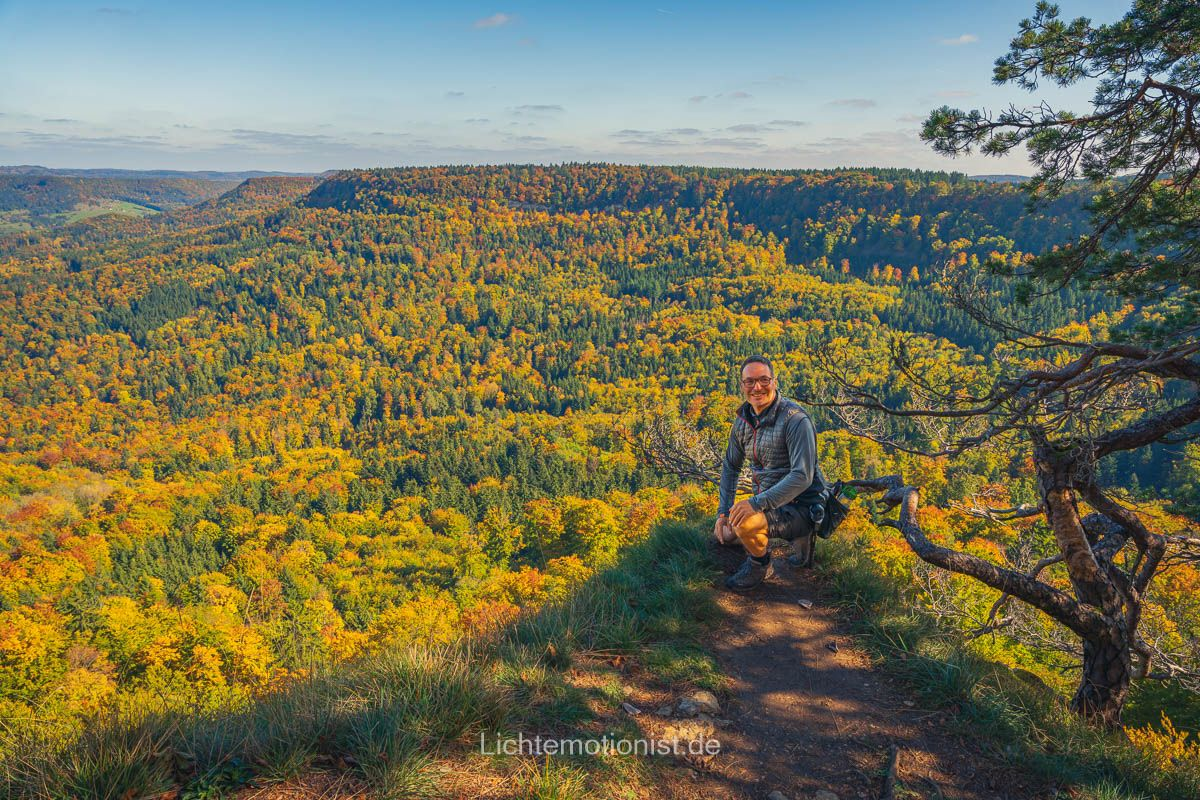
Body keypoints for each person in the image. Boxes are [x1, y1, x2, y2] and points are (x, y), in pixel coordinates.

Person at [715, 355, 829, 590]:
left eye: (764, 380)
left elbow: (802, 476)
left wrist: (755, 504)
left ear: (774, 382)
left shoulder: (795, 420)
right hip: (769, 501)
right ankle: (763, 539)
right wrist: (723, 512)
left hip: (802, 505)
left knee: (745, 523)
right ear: (742, 385)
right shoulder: (743, 421)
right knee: (724, 533)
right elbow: (730, 467)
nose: (757, 387)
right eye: (750, 381)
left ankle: (760, 565)